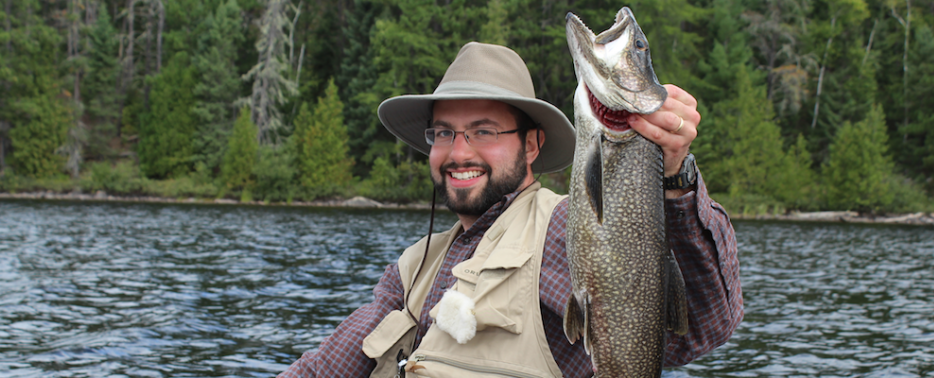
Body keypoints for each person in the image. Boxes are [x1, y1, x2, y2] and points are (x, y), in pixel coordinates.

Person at [278, 42, 742, 378]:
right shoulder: (409, 271)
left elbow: (701, 328)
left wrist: (675, 177)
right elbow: (323, 369)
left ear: (533, 145)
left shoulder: (565, 229)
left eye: (483, 131)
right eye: (443, 133)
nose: (459, 152)